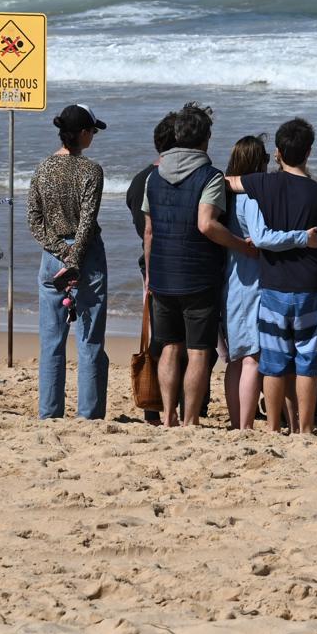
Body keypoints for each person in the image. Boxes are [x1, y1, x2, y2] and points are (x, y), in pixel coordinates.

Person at [226, 118, 317, 435]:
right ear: (309, 152)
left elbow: (229, 181)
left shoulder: (262, 184)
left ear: (277, 153)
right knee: (307, 364)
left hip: (273, 286)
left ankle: (273, 427)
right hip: (311, 287)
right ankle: (303, 429)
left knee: (273, 362)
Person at [143, 103, 250, 427]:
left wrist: (150, 273)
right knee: (200, 350)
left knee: (170, 348)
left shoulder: (153, 176)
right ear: (205, 139)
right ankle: (190, 419)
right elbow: (206, 224)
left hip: (162, 274)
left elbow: (149, 230)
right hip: (199, 277)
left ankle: (168, 417)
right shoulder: (210, 176)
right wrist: (241, 245)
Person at [26, 104, 110, 419]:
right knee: (88, 341)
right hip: (84, 256)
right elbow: (87, 224)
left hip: (52, 256)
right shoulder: (92, 170)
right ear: (84, 133)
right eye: (93, 131)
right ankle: (88, 416)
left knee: (51, 342)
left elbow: (34, 222)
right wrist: (73, 258)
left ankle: (49, 413)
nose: (94, 136)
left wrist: (59, 252)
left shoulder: (42, 168)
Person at [127, 111, 177, 425]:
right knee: (175, 341)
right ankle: (166, 405)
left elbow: (140, 224)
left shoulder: (139, 180)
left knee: (159, 336)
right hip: (173, 264)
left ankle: (154, 407)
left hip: (151, 263)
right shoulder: (167, 178)